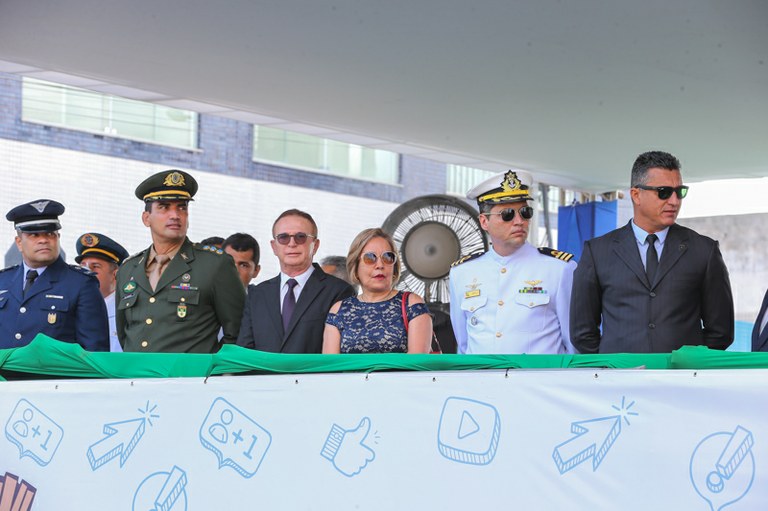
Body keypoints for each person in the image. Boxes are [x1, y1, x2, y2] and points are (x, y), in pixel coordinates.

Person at [570, 151, 734, 353]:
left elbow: (721, 331)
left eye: (679, 191)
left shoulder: (703, 250)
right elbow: (582, 332)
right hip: (619, 380)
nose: (674, 201)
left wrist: (689, 366)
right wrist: (613, 367)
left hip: (682, 380)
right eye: (664, 192)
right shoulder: (597, 252)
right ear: (636, 195)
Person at [115, 170, 245, 353]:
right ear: (146, 218)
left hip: (190, 379)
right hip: (136, 378)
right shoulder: (128, 269)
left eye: (182, 207)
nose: (175, 215)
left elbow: (238, 331)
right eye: (164, 207)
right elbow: (125, 333)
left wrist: (213, 371)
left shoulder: (214, 264)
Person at [448, 170, 576, 354]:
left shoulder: (559, 268)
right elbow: (464, 343)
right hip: (482, 380)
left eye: (525, 212)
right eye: (507, 214)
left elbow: (573, 343)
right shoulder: (462, 272)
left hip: (538, 381)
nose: (519, 221)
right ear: (484, 222)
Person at [237, 209, 355, 353]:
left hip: (314, 375)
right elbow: (244, 352)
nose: (291, 243)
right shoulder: (257, 294)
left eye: (300, 237)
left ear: (315, 245)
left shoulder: (339, 291)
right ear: (274, 247)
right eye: (283, 237)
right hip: (263, 376)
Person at [0, 200, 109, 351]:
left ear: (58, 237)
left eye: (50, 234)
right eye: (34, 235)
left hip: (52, 375)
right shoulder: (3, 281)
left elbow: (94, 352)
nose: (43, 240)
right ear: (19, 242)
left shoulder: (81, 284)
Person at [323, 228, 432, 353]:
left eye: (388, 257)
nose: (380, 265)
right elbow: (331, 367)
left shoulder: (412, 304)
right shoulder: (339, 310)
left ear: (394, 267)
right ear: (355, 265)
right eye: (370, 258)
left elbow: (417, 363)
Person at [75, 232, 129, 352]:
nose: (86, 272)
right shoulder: (74, 307)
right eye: (82, 266)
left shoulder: (126, 313)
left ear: (115, 275)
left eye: (95, 267)